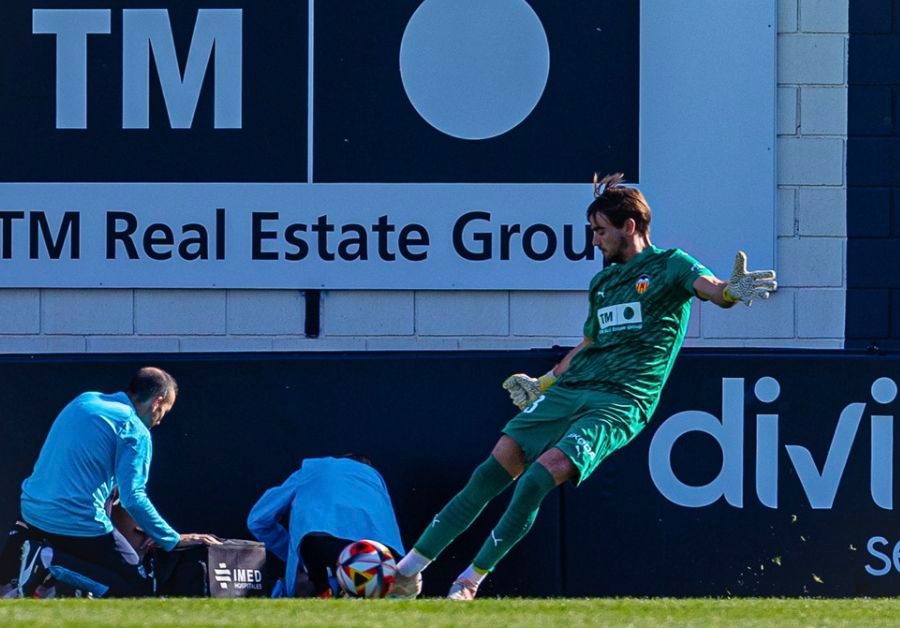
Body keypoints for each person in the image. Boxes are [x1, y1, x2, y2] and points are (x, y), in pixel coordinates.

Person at [391, 173, 778, 600]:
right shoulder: (603, 283)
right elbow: (592, 342)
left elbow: (712, 290)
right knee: (494, 468)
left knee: (538, 477)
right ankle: (406, 573)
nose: (594, 240)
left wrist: (731, 292)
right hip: (572, 388)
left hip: (621, 400)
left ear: (629, 226)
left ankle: (469, 581)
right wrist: (543, 382)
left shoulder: (672, 264)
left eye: (600, 231)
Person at [0, 366, 220, 597]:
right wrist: (171, 539)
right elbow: (133, 498)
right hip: (73, 522)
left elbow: (110, 494)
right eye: (164, 411)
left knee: (97, 569)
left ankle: (46, 567)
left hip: (31, 512)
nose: (160, 420)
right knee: (137, 590)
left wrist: (148, 530)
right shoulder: (134, 429)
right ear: (157, 402)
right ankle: (48, 562)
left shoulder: (83, 401)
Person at [247, 454, 406, 598]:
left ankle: (322, 591)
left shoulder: (314, 469)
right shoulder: (374, 480)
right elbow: (388, 531)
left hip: (317, 546)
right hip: (376, 553)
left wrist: (296, 557)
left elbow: (258, 519)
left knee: (315, 558)